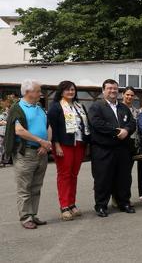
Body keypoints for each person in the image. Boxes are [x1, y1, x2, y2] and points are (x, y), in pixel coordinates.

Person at [3, 80, 52, 229]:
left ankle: (33, 214)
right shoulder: (17, 108)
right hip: (26, 152)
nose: (40, 93)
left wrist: (46, 143)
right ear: (28, 92)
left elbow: (48, 126)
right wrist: (40, 141)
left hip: (41, 151)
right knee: (25, 187)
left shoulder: (39, 107)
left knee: (36, 186)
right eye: (38, 91)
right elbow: (19, 131)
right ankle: (25, 217)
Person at [89, 79, 136, 217]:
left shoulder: (123, 107)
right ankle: (101, 206)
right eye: (109, 88)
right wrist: (117, 132)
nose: (112, 91)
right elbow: (97, 123)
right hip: (103, 149)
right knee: (103, 178)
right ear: (103, 90)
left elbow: (132, 123)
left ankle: (124, 203)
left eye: (115, 88)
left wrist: (127, 130)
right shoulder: (96, 106)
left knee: (123, 178)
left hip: (122, 149)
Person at [47, 81, 91, 220]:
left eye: (73, 89)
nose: (71, 92)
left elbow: (85, 125)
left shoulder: (80, 106)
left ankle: (72, 204)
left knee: (74, 175)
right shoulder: (56, 107)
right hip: (64, 145)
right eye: (67, 90)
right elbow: (52, 128)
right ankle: (64, 206)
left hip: (79, 144)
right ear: (61, 91)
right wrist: (57, 145)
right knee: (64, 175)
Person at [121, 87, 141, 199]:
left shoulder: (136, 111)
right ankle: (117, 197)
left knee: (127, 173)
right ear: (122, 94)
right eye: (127, 94)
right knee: (120, 172)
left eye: (132, 95)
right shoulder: (118, 108)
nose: (129, 97)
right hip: (121, 143)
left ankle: (125, 198)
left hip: (133, 144)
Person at [0, 97, 15, 166]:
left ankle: (6, 161)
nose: (7, 109)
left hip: (9, 134)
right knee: (1, 148)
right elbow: (0, 122)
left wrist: (5, 122)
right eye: (7, 108)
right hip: (2, 133)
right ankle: (1, 161)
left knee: (7, 147)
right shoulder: (3, 115)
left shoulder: (12, 115)